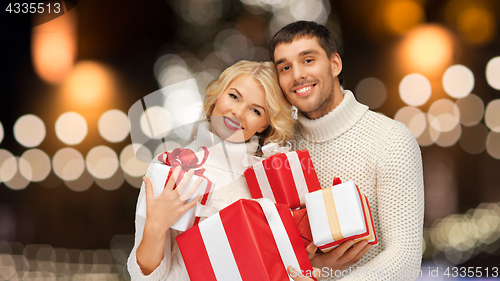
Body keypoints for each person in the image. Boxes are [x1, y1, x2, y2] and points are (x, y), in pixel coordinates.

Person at [270, 21, 424, 280]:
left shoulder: (390, 139)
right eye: (285, 67)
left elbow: (405, 258)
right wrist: (312, 265)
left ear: (334, 65)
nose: (297, 75)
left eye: (308, 60)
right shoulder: (279, 148)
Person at [127, 60, 295, 280]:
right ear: (217, 96)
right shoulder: (169, 167)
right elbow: (143, 277)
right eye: (234, 96)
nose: (238, 112)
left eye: (255, 110)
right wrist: (155, 227)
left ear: (265, 124)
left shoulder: (269, 181)